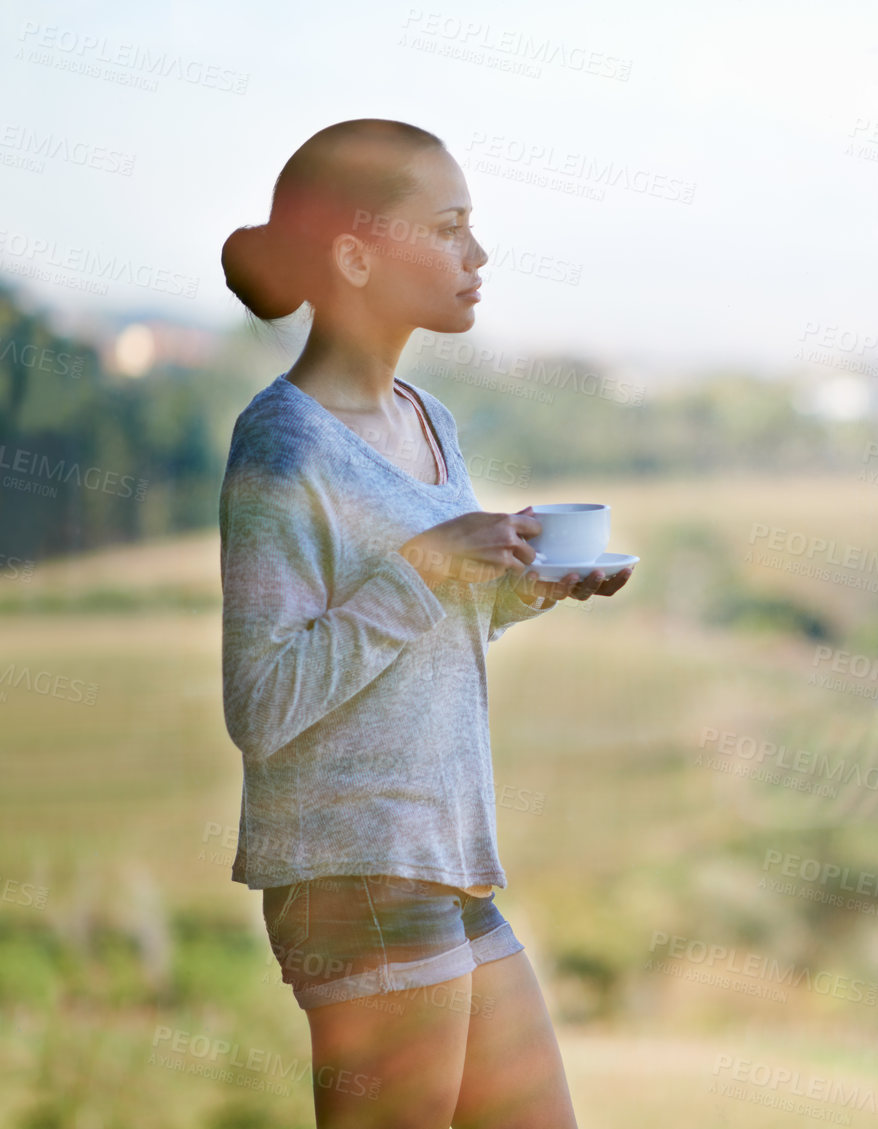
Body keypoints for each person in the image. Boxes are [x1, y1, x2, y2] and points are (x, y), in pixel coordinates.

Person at [217, 118, 627, 1128]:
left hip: (442, 857)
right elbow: (263, 703)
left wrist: (522, 588)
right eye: (448, 228)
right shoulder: (282, 447)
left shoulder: (426, 418)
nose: (476, 256)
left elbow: (415, 632)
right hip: (352, 868)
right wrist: (430, 562)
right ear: (356, 254)